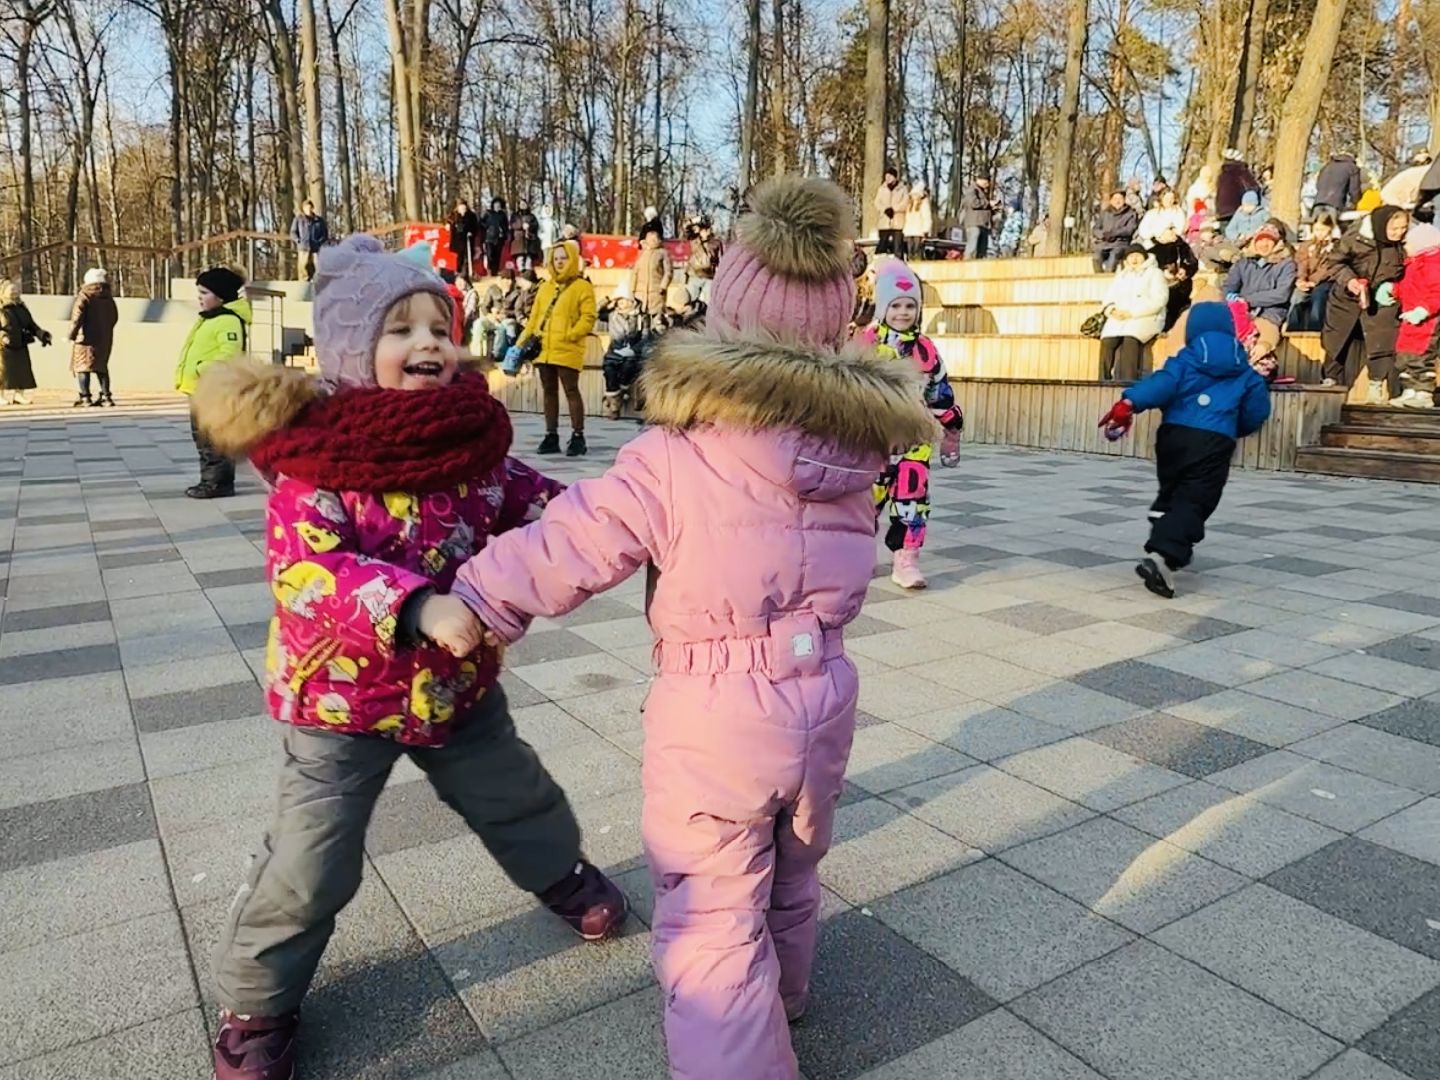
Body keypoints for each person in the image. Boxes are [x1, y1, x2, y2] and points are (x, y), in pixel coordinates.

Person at [439, 174, 934, 1080]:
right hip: (823, 696)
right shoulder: (853, 452)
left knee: (711, 912)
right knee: (790, 868)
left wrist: (478, 599)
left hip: (715, 708)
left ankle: (740, 1054)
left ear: (725, 318)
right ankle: (782, 999)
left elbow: (574, 542)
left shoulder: (677, 453)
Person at [190, 234, 626, 1080]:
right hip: (338, 703)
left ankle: (559, 873)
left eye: (439, 324)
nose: (428, 342)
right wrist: (417, 603)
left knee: (518, 795)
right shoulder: (317, 461)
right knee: (311, 857)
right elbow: (309, 573)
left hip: (457, 691)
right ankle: (258, 999)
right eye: (401, 328)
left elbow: (533, 500)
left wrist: (609, 517)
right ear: (354, 349)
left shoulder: (471, 443)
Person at [1097, 301, 1270, 599]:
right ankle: (1163, 556)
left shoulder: (1184, 361)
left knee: (1175, 485)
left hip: (1174, 436)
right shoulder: (1245, 370)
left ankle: (1163, 513)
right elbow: (1257, 411)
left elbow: (1161, 383)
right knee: (1197, 498)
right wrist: (1235, 428)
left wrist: (1129, 403)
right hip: (1215, 440)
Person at [860, 258, 964, 589]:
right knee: (863, 504)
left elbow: (940, 392)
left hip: (914, 441)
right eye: (896, 305)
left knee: (913, 499)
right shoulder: (864, 344)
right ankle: (858, 557)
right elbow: (844, 389)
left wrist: (951, 430)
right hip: (872, 440)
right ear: (882, 306)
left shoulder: (925, 350)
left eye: (910, 306)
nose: (903, 312)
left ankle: (906, 559)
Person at [515, 239, 596, 456]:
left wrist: (573, 334)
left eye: (564, 258)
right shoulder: (545, 288)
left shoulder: (582, 287)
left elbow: (588, 317)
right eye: (556, 258)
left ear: (571, 260)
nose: (559, 262)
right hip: (544, 348)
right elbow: (534, 319)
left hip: (567, 347)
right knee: (549, 392)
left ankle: (578, 436)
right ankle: (551, 435)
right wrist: (520, 343)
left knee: (571, 390)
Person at [175, 267, 250, 498]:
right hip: (200, 389)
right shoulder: (211, 318)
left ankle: (218, 483)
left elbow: (229, 354)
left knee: (212, 439)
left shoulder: (228, 320)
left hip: (213, 390)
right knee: (203, 438)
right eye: (198, 292)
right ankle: (210, 479)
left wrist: (200, 369)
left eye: (204, 292)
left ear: (221, 296)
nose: (199, 297)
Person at [1322, 205, 1410, 397]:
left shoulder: (1405, 245)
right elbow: (1335, 262)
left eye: (1403, 228)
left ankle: (1376, 385)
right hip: (1347, 296)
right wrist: (1349, 280)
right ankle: (1331, 380)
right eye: (1394, 229)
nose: (1399, 233)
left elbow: (1409, 272)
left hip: (1383, 298)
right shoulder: (1355, 238)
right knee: (1336, 340)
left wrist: (1395, 288)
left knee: (1383, 340)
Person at [1224, 223, 1297, 367]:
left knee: (1265, 338)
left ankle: (1262, 359)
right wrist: (1231, 298)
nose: (1264, 244)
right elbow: (1228, 287)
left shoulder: (1286, 264)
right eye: (1260, 240)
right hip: (1241, 313)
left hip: (1270, 313)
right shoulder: (1243, 263)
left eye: (1268, 240)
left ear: (1276, 242)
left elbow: (1281, 294)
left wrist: (1247, 300)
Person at [1097, 244, 1170, 380]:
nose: (1134, 259)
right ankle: (1103, 379)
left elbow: (1160, 300)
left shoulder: (1155, 273)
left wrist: (1132, 313)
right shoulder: (1122, 275)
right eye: (1131, 256)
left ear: (1144, 257)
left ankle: (1127, 380)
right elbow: (1109, 296)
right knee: (1107, 340)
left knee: (1130, 338)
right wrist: (1111, 310)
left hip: (1146, 316)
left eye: (1137, 256)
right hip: (1120, 317)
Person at [1392, 222, 1440, 407]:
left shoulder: (1433, 265)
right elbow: (1407, 287)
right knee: (1405, 354)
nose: (1405, 247)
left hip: (1426, 319)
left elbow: (1437, 292)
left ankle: (1423, 392)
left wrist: (1424, 310)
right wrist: (1394, 290)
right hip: (1409, 316)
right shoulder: (1413, 265)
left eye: (1408, 243)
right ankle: (1409, 389)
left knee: (1422, 354)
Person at [68, 267, 119, 406]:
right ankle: (106, 396)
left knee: (83, 367)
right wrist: (106, 331)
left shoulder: (84, 296)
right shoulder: (108, 297)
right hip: (104, 339)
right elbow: (114, 317)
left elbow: (77, 317)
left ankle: (85, 397)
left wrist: (72, 335)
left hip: (85, 339)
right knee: (101, 367)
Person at [0, 278, 51, 405]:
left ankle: (19, 394)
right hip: (4, 346)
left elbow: (31, 325)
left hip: (20, 343)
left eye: (16, 290)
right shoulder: (2, 309)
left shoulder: (21, 308)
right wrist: (2, 336)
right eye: (11, 290)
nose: (14, 292)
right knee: (3, 371)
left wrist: (42, 335)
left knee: (21, 370)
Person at [1289, 213, 1340, 333]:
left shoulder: (1335, 246)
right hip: (1307, 280)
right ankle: (1293, 329)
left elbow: (1329, 267)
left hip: (1326, 281)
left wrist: (1314, 281)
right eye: (1316, 229)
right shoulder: (1307, 245)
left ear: (1330, 228)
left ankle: (1314, 329)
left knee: (1319, 296)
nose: (1319, 233)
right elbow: (1302, 263)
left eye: (1322, 229)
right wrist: (1302, 279)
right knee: (1297, 297)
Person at [1149, 224, 1200, 332]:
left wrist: (1185, 269)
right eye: (1169, 229)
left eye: (1173, 229)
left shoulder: (1182, 247)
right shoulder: (1151, 253)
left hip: (1182, 287)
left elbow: (1192, 263)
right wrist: (1162, 273)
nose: (1173, 231)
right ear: (1160, 235)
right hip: (1162, 288)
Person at [629, 220, 672, 319]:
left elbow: (668, 272)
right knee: (641, 318)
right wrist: (632, 289)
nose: (653, 238)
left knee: (656, 319)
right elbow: (635, 273)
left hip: (656, 292)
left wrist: (663, 286)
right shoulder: (641, 254)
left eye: (655, 235)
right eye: (650, 234)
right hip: (640, 293)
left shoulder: (663, 253)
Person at [479, 269, 519, 361]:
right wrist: (489, 315)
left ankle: (500, 354)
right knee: (479, 324)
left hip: (508, 319)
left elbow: (518, 310)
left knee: (505, 327)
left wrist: (504, 313)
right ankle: (477, 354)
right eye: (504, 279)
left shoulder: (517, 292)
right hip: (492, 317)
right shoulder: (493, 289)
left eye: (509, 280)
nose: (506, 282)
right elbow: (484, 306)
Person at [1094, 191, 1141, 272]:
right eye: (1115, 199)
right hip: (1104, 242)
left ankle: (1108, 275)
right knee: (1096, 256)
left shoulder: (1130, 213)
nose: (1117, 201)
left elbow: (1129, 230)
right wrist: (1102, 235)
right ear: (1111, 201)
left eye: (1120, 198)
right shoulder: (1105, 213)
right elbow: (1096, 228)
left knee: (1114, 255)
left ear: (1124, 200)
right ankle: (1098, 277)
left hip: (1120, 243)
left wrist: (1114, 234)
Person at [289, 200, 329, 282]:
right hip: (303, 246)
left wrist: (320, 242)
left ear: (312, 208)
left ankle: (317, 281)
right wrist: (298, 240)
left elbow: (324, 233)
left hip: (316, 247)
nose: (309, 210)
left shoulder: (319, 220)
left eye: (310, 208)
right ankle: (304, 282)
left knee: (317, 265)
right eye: (306, 208)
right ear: (303, 209)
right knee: (303, 266)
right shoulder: (298, 219)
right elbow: (293, 232)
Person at [1216, 150, 1263, 222]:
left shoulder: (1222, 174)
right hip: (1237, 209)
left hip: (1221, 211)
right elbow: (1251, 188)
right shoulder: (1241, 172)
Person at [686, 216, 723, 303]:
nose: (706, 232)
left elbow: (720, 258)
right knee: (690, 299)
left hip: (709, 275)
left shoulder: (715, 243)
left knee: (708, 301)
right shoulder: (694, 241)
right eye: (703, 230)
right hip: (694, 274)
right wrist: (693, 221)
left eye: (707, 229)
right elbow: (687, 230)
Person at [874, 166, 908, 255]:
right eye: (886, 176)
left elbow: (905, 203)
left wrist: (894, 209)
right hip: (884, 221)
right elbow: (877, 202)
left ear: (895, 177)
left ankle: (898, 264)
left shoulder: (902, 189)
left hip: (897, 222)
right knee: (882, 245)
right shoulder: (882, 188)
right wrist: (885, 209)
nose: (887, 178)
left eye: (890, 176)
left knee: (897, 246)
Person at [960, 177, 996, 259]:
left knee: (982, 250)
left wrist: (992, 209)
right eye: (987, 181)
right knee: (972, 248)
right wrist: (988, 203)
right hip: (974, 224)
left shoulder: (982, 192)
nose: (988, 184)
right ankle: (967, 265)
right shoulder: (972, 190)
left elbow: (982, 206)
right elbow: (973, 203)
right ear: (980, 180)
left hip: (983, 224)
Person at [448, 199, 481, 275]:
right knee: (459, 257)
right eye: (461, 206)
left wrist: (471, 232)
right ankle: (458, 271)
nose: (462, 208)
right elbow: (449, 223)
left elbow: (475, 227)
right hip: (457, 240)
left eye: (464, 206)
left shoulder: (471, 216)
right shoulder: (453, 215)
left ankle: (467, 272)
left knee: (468, 257)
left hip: (468, 239)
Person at [904, 182, 934, 258]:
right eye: (913, 194)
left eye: (916, 194)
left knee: (917, 251)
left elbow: (927, 218)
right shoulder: (909, 205)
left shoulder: (924, 204)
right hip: (909, 232)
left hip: (918, 232)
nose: (914, 196)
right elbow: (907, 218)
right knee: (910, 251)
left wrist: (925, 231)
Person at [510, 200, 543, 272]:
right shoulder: (515, 216)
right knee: (520, 255)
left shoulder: (532, 216)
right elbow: (513, 225)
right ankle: (520, 270)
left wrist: (529, 226)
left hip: (530, 238)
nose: (523, 205)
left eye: (524, 204)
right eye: (521, 204)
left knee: (529, 256)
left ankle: (528, 270)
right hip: (518, 238)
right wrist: (522, 226)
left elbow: (536, 225)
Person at [481, 197, 510, 276]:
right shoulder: (488, 213)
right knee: (490, 255)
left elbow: (506, 226)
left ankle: (495, 271)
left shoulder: (503, 215)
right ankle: (490, 270)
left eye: (499, 205)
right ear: (493, 205)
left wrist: (505, 233)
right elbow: (481, 222)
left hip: (499, 238)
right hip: (489, 237)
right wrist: (487, 227)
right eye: (496, 204)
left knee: (498, 255)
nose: (497, 206)